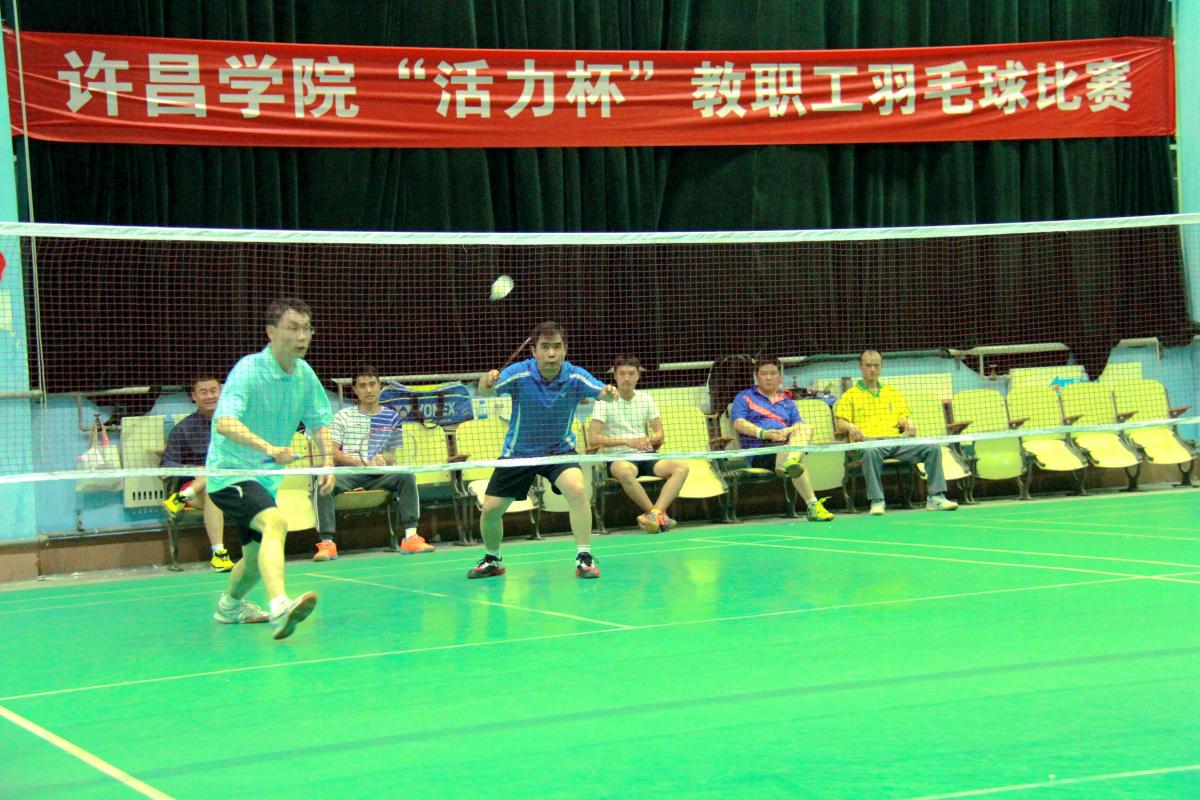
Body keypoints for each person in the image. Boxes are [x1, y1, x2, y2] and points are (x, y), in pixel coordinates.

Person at [206, 298, 335, 640]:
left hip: (265, 479)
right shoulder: (249, 370)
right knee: (276, 522)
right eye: (293, 328)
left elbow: (319, 420)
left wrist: (327, 460)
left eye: (306, 328)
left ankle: (229, 607)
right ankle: (279, 607)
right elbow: (224, 423)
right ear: (271, 332)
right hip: (231, 472)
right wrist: (269, 448)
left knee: (253, 559)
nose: (302, 336)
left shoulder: (304, 375)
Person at [468, 321, 616, 580]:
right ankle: (493, 559)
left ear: (565, 349)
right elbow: (485, 391)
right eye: (545, 347)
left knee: (577, 490)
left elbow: (602, 392)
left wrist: (609, 393)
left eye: (557, 347)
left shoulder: (574, 376)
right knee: (490, 509)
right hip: (519, 453)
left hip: (559, 451)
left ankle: (584, 557)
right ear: (534, 351)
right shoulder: (520, 373)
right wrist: (487, 380)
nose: (551, 353)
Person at [313, 366, 431, 560]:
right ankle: (327, 543)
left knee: (407, 476)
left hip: (378, 476)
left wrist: (383, 459)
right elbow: (332, 452)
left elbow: (391, 455)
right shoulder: (342, 416)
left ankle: (411, 537)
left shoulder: (392, 417)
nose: (368, 390)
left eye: (372, 384)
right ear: (355, 390)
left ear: (379, 386)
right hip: (348, 475)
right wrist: (361, 462)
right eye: (362, 385)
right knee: (323, 479)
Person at [833, 349, 959, 515]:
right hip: (870, 442)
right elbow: (840, 422)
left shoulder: (891, 392)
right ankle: (877, 501)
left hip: (896, 441)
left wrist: (909, 423)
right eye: (868, 365)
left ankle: (936, 497)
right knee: (870, 452)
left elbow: (903, 417)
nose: (872, 369)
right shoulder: (850, 395)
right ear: (861, 367)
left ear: (881, 367)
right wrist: (850, 427)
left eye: (876, 365)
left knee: (932, 448)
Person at [587, 355, 689, 533]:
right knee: (624, 472)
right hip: (619, 458)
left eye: (631, 373)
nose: (627, 378)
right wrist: (627, 441)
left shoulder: (646, 399)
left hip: (646, 455)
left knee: (681, 468)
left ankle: (655, 514)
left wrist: (650, 439)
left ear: (638, 376)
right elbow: (593, 439)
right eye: (622, 374)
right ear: (615, 376)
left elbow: (660, 434)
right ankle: (657, 515)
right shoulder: (604, 402)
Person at [729, 357, 835, 522]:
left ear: (779, 378)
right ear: (757, 376)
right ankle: (812, 504)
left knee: (807, 428)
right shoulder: (744, 397)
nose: (768, 378)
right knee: (798, 458)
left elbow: (798, 425)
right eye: (764, 374)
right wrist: (765, 433)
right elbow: (738, 423)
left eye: (773, 373)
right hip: (761, 450)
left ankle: (790, 462)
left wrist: (787, 431)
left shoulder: (787, 402)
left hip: (786, 445)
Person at [160, 374, 233, 571]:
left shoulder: (233, 424)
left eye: (213, 391)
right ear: (194, 396)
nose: (209, 396)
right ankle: (219, 554)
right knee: (212, 486)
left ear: (220, 393)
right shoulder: (183, 429)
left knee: (216, 480)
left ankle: (180, 499)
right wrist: (194, 470)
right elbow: (166, 465)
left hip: (231, 484)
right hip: (197, 487)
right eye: (203, 392)